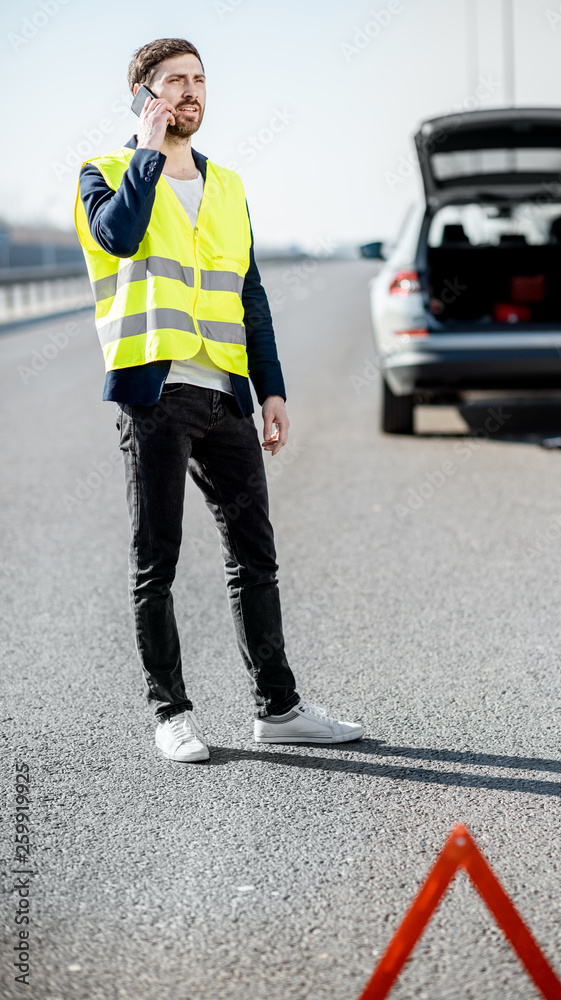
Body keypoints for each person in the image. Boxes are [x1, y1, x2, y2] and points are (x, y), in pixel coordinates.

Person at [74, 37, 363, 762]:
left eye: (199, 80)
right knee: (156, 563)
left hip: (225, 395)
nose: (190, 92)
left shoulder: (227, 184)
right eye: (174, 81)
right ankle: (170, 714)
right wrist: (145, 153)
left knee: (255, 557)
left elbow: (250, 295)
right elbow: (118, 236)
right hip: (156, 395)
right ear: (143, 95)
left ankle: (279, 708)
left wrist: (271, 388)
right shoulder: (103, 173)